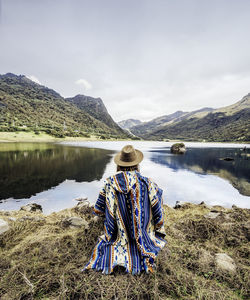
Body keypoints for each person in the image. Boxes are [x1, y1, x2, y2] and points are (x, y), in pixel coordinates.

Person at [82, 145, 167, 275]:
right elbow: (157, 208)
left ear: (119, 165)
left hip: (117, 232)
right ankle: (139, 248)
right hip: (144, 233)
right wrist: (158, 224)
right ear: (137, 164)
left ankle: (117, 250)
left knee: (109, 242)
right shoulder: (148, 183)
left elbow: (99, 210)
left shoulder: (109, 183)